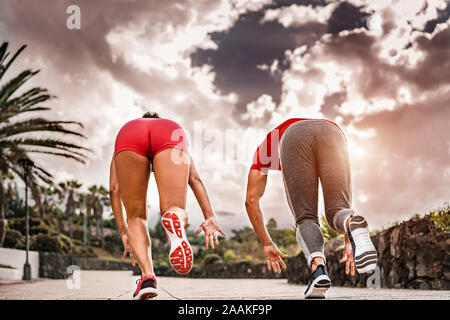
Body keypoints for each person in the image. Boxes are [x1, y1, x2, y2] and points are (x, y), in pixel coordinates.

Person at [245, 118, 377, 298]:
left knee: (306, 217)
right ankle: (351, 222)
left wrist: (267, 242)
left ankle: (318, 271)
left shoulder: (265, 147)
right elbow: (344, 200)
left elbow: (251, 200)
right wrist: (349, 240)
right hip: (333, 131)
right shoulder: (327, 130)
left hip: (292, 136)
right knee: (338, 209)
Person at [109, 111, 225, 300]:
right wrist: (209, 216)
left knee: (135, 217)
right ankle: (176, 218)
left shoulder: (130, 128)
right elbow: (194, 178)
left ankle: (147, 279)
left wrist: (124, 232)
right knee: (174, 206)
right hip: (170, 132)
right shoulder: (169, 126)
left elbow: (114, 189)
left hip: (128, 134)